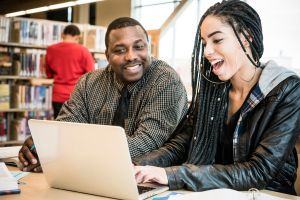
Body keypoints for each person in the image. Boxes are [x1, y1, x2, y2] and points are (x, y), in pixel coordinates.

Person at [134, 0, 300, 195]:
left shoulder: (288, 90)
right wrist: (136, 166)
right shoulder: (213, 91)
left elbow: (259, 171)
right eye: (204, 43)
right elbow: (181, 144)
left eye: (217, 40)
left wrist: (173, 175)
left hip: (267, 194)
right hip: (216, 193)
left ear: (246, 37)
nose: (207, 52)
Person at [19, 17, 188, 172]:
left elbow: (145, 143)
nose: (131, 56)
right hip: (94, 175)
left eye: (139, 47)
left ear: (148, 47)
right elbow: (65, 129)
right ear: (107, 55)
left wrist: (67, 151)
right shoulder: (88, 83)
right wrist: (43, 145)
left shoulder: (165, 80)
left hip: (152, 180)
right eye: (120, 50)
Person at [45, 24, 95, 118]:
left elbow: (49, 74)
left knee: (59, 127)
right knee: (74, 128)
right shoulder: (83, 50)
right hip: (76, 95)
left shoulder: (50, 49)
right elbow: (91, 73)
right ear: (77, 36)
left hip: (57, 95)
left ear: (62, 34)